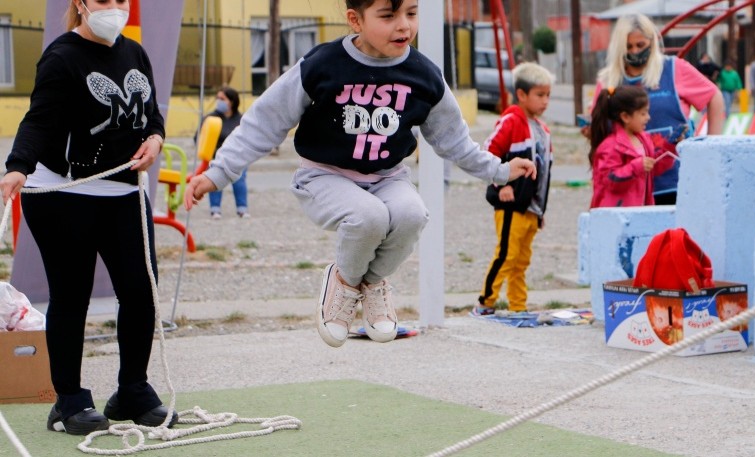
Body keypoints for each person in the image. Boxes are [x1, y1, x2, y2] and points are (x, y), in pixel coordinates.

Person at [183, 0, 535, 347]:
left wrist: (500, 171)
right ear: (355, 20)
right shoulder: (322, 65)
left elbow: (454, 141)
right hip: (324, 176)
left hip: (388, 177)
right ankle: (343, 283)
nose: (404, 25)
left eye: (411, 14)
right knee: (368, 218)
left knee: (413, 214)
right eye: (389, 15)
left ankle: (372, 284)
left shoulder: (424, 75)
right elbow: (265, 122)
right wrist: (218, 173)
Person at [0, 0, 177, 436]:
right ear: (80, 4)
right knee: (72, 293)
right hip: (63, 192)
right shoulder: (61, 57)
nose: (114, 7)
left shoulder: (134, 52)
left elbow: (150, 115)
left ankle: (132, 390)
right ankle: (69, 400)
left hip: (122, 191)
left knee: (141, 291)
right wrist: (17, 165)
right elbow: (38, 120)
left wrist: (155, 138)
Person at [589, 14, 724, 205]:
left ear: (652, 42)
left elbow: (713, 96)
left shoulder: (673, 69)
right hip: (630, 187)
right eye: (628, 47)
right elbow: (597, 126)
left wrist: (711, 147)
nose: (635, 51)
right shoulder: (608, 81)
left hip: (677, 180)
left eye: (640, 45)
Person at [472, 62, 554, 316]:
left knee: (521, 261)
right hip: (510, 203)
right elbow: (488, 153)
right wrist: (502, 183)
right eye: (540, 95)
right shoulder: (510, 121)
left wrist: (540, 210)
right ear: (521, 94)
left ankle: (519, 305)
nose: (546, 101)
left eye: (548, 95)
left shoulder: (543, 130)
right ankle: (485, 302)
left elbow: (543, 174)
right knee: (506, 255)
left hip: (530, 207)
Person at [588, 86, 675, 209]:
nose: (648, 117)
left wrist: (670, 147)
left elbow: (653, 167)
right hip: (616, 215)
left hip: (641, 211)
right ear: (625, 117)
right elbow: (610, 180)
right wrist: (636, 167)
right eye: (643, 113)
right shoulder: (610, 146)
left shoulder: (644, 139)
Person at [204, 87, 248, 219]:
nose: (219, 101)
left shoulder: (242, 120)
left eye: (222, 99)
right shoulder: (211, 118)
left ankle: (242, 209)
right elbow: (200, 137)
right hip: (216, 157)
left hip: (238, 158)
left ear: (232, 101)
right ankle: (215, 209)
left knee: (239, 181)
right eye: (217, 98)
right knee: (215, 181)